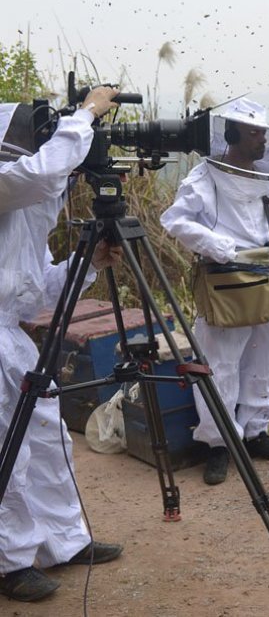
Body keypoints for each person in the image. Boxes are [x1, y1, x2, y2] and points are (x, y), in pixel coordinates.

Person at [0, 87, 125, 602]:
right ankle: (9, 561)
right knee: (5, 452)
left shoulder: (21, 208)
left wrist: (89, 264)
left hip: (12, 340)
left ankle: (64, 541)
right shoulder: (12, 182)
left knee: (48, 440)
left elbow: (31, 293)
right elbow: (41, 174)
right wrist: (88, 113)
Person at [161, 98, 269, 485]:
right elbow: (176, 220)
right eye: (254, 133)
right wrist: (221, 247)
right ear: (231, 134)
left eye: (263, 133)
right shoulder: (205, 177)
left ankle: (255, 432)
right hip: (224, 280)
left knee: (264, 358)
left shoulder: (268, 179)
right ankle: (219, 443)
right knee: (220, 364)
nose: (261, 141)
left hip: (265, 277)